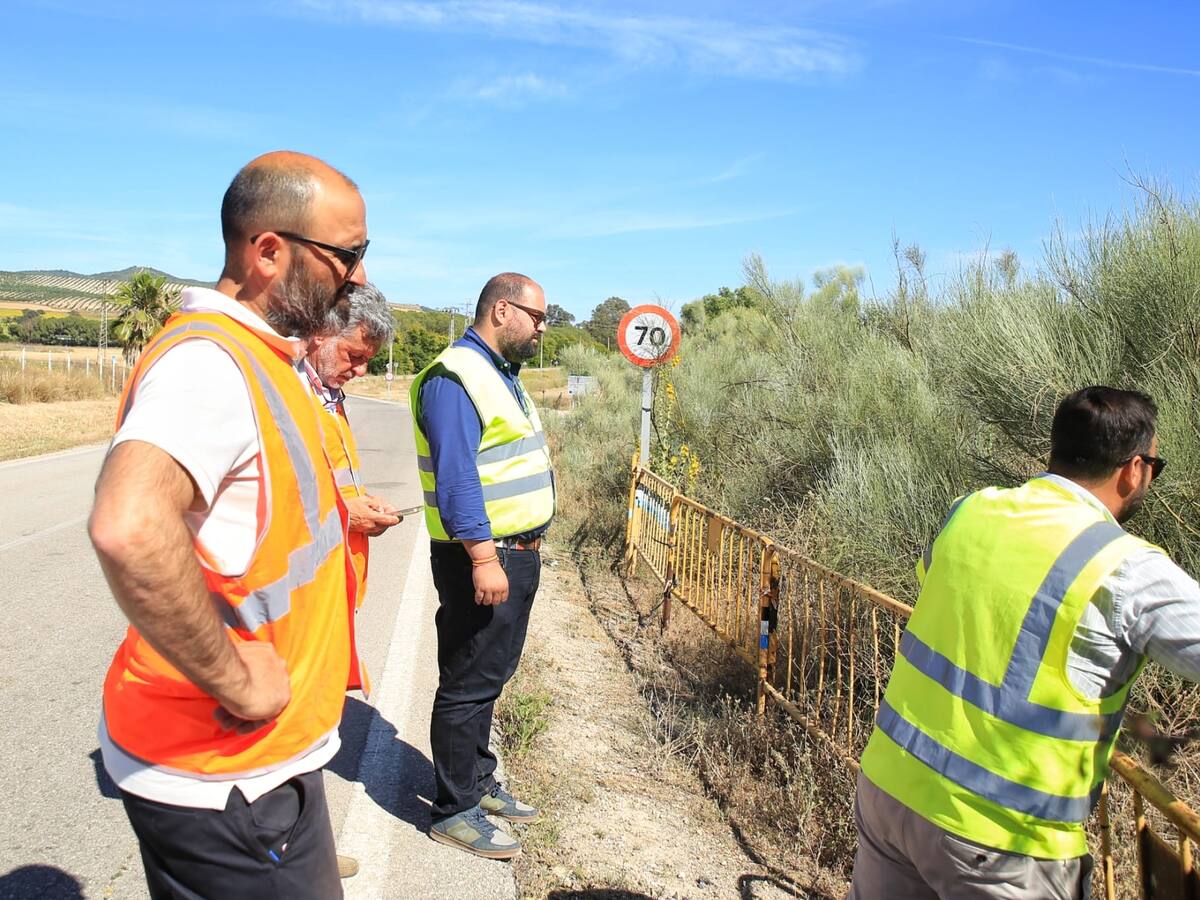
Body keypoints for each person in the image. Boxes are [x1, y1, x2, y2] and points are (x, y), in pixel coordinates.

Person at [89, 151, 370, 899]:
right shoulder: (210, 365)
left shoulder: (263, 358)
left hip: (257, 766)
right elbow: (128, 524)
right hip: (224, 774)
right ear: (269, 252)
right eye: (348, 255)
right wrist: (238, 680)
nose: (361, 277)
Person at [848, 386, 1200, 900]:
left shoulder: (970, 511)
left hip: (890, 791)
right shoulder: (1125, 567)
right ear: (1133, 469)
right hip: (1002, 842)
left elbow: (944, 588)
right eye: (1154, 465)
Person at [409, 272, 555, 859]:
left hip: (513, 554)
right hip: (486, 557)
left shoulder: (498, 372)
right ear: (501, 310)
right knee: (468, 681)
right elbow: (458, 476)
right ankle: (454, 809)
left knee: (488, 677)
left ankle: (478, 779)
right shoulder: (454, 377)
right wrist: (482, 557)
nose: (542, 328)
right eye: (536, 316)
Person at [305, 279, 403, 632]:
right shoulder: (288, 395)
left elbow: (330, 480)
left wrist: (364, 503)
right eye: (355, 356)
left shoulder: (329, 394)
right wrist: (345, 515)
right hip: (304, 599)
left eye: (368, 361)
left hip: (335, 590)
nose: (361, 371)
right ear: (320, 333)